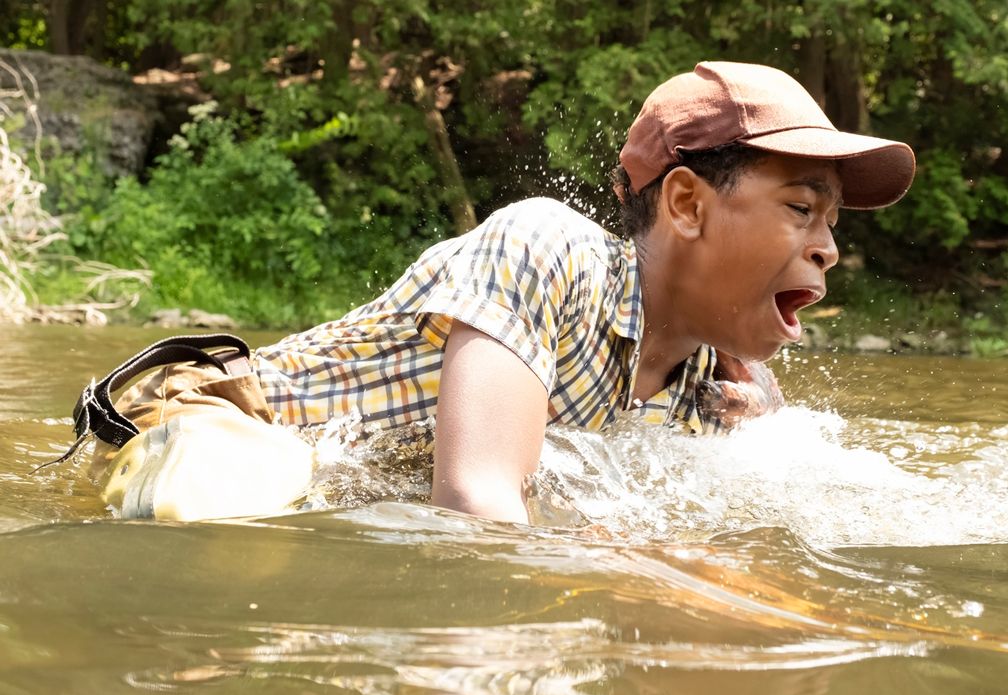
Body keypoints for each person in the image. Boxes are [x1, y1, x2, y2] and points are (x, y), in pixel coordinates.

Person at [69, 61, 915, 523]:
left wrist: (759, 440)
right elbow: (476, 503)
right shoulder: (546, 248)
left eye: (833, 222)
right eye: (802, 209)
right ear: (688, 203)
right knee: (225, 500)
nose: (829, 248)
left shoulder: (710, 385)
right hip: (224, 424)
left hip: (350, 494)